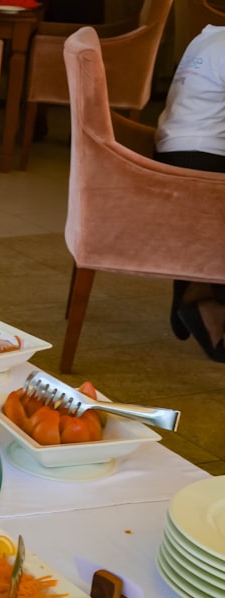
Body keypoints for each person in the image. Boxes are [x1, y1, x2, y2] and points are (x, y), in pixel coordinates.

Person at [154, 24, 225, 362]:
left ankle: (192, 286)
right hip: (204, 160)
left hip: (178, 153)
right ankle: (200, 295)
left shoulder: (207, 36)